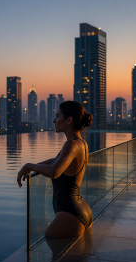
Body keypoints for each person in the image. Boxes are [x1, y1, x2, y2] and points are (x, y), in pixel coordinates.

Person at [17, 101, 93, 237]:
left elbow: (54, 171)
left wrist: (28, 165)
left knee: (51, 255)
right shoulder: (81, 143)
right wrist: (35, 166)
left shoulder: (71, 144)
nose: (54, 120)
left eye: (57, 116)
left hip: (70, 213)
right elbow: (56, 161)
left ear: (69, 120)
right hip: (81, 209)